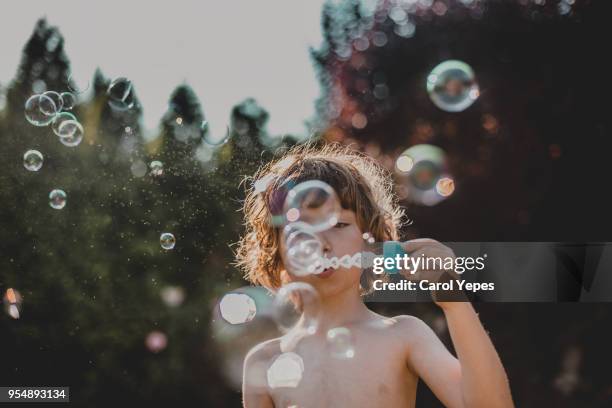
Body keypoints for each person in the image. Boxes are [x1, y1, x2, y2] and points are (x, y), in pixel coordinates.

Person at [236, 143, 513, 408]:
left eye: (340, 224)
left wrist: (453, 300)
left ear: (371, 242)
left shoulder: (403, 335)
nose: (321, 243)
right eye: (302, 229)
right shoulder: (265, 361)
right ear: (278, 251)